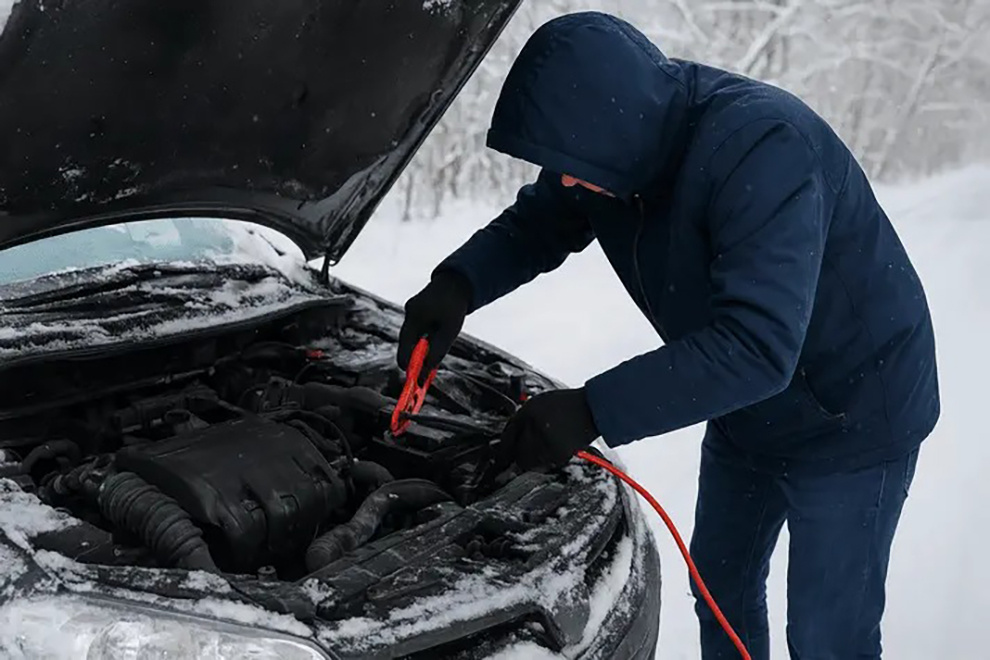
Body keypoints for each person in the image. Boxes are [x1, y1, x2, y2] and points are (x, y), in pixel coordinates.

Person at [396, 11, 939, 660]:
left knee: (827, 634)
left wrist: (593, 408)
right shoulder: (609, 150)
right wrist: (456, 286)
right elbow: (538, 224)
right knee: (720, 590)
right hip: (746, 409)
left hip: (854, 413)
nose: (565, 180)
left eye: (571, 166)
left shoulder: (762, 149)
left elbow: (757, 345)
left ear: (619, 131)